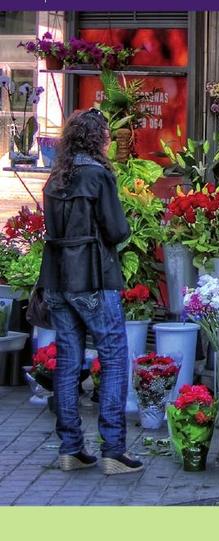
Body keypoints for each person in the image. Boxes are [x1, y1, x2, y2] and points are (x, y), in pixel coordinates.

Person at [39, 109, 143, 475]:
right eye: (107, 136)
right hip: (93, 277)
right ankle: (113, 449)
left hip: (57, 278)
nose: (111, 142)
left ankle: (71, 449)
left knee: (69, 360)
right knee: (114, 356)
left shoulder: (55, 178)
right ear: (97, 140)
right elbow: (117, 230)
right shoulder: (98, 175)